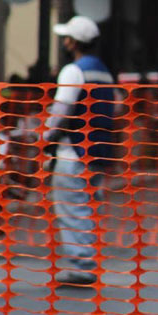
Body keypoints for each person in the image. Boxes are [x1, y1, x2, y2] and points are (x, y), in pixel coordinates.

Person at [44, 16, 118, 286]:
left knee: (71, 207)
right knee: (85, 207)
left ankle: (82, 266)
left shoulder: (73, 71)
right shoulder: (104, 72)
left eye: (67, 37)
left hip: (74, 149)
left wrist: (45, 138)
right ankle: (85, 262)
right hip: (99, 150)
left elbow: (62, 110)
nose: (65, 42)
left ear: (74, 42)